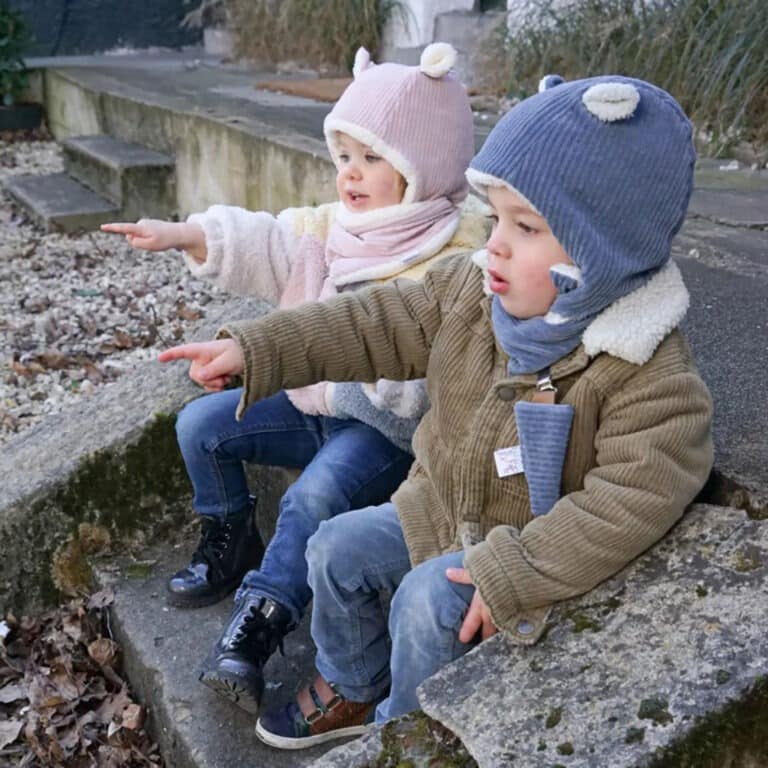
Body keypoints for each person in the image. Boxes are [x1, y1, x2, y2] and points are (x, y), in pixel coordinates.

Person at [157, 75, 714, 749]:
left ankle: (411, 739)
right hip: (437, 511)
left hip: (518, 559)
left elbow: (629, 501)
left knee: (425, 601)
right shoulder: (472, 291)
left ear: (606, 246)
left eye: (527, 227)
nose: (496, 243)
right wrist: (261, 348)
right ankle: (354, 685)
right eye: (497, 217)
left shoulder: (645, 371)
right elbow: (372, 323)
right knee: (333, 547)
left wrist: (518, 569)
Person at [102, 42, 485, 713]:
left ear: (425, 167)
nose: (351, 175)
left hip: (383, 435)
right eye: (343, 157)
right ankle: (230, 540)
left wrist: (316, 371)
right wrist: (187, 234)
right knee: (201, 427)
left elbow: (417, 388)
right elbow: (268, 240)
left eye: (373, 159)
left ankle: (258, 625)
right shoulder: (335, 227)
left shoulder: (451, 255)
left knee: (312, 499)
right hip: (313, 404)